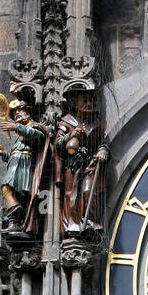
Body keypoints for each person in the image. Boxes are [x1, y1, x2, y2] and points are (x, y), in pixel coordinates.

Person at [0, 99, 49, 232]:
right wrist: (3, 153)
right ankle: (16, 221)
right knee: (9, 191)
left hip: (25, 167)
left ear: (28, 112)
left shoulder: (34, 127)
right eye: (15, 113)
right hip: (16, 165)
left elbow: (39, 138)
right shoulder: (20, 136)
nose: (17, 114)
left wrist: (17, 127)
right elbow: (14, 155)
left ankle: (17, 218)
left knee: (8, 189)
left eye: (20, 111)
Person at [54, 93, 109, 236]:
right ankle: (72, 225)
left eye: (91, 101)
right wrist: (69, 136)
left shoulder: (95, 124)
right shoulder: (67, 122)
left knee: (88, 191)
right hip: (73, 165)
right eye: (84, 101)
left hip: (90, 163)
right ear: (76, 104)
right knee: (71, 195)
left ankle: (89, 221)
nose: (89, 104)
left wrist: (103, 151)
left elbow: (102, 144)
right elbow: (58, 145)